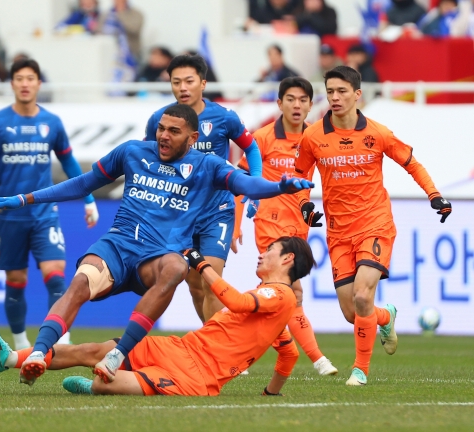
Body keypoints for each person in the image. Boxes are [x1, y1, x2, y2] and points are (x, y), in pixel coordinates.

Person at [0, 104, 314, 386]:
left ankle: (118, 354)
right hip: (118, 245)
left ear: (193, 138)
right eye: (161, 129)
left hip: (155, 257)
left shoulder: (208, 166)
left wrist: (277, 187)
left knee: (177, 267)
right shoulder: (132, 152)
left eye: (173, 131)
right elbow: (83, 183)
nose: (164, 136)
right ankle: (38, 351)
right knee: (80, 281)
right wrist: (23, 199)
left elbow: (246, 184)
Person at [0, 236, 315, 396]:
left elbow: (239, 302)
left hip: (196, 377)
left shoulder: (279, 294)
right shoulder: (273, 308)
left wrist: (201, 265)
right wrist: (271, 393)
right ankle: (8, 357)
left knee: (104, 382)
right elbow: (288, 352)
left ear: (286, 259)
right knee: (94, 350)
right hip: (180, 349)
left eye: (270, 249)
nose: (263, 252)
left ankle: (94, 388)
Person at [293, 66, 452, 386]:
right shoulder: (313, 136)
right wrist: (305, 204)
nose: (334, 97)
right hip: (338, 233)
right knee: (353, 313)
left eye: (341, 91)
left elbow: (411, 163)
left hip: (374, 224)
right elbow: (300, 177)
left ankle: (360, 370)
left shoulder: (377, 133)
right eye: (330, 91)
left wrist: (434, 195)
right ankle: (385, 316)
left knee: (364, 295)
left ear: (357, 94)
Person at [0, 57, 99, 349]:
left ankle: (62, 342)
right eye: (19, 79)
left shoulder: (51, 122)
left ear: (39, 83)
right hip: (11, 217)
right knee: (16, 281)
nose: (25, 84)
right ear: (12, 84)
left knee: (56, 276)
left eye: (30, 78)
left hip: (45, 214)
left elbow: (68, 161)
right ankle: (20, 344)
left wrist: (89, 199)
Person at [144, 54, 264, 323]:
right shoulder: (158, 121)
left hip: (216, 212)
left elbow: (252, 148)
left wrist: (254, 184)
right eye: (176, 82)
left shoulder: (223, 117)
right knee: (195, 286)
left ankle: (219, 354)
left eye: (189, 81)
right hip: (179, 215)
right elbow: (146, 162)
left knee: (213, 282)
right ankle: (212, 343)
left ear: (203, 83)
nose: (183, 88)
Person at [233, 77, 337, 376]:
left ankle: (238, 350)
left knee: (276, 298)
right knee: (292, 291)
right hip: (270, 223)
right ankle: (318, 359)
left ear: (310, 104)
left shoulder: (316, 138)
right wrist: (238, 223)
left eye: (303, 100)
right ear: (279, 103)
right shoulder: (263, 138)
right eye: (290, 99)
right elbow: (240, 184)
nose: (297, 105)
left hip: (298, 227)